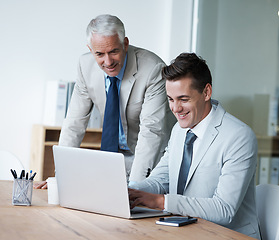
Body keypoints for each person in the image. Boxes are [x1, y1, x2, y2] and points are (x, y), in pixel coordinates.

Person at [129, 53, 261, 239]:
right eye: (171, 99)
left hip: (227, 235)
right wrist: (130, 190)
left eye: (183, 99)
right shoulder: (179, 130)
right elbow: (160, 180)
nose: (175, 108)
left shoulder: (239, 137)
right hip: (186, 230)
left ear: (206, 92)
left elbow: (224, 210)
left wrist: (160, 201)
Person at [34, 14, 174, 189]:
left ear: (125, 43)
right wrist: (61, 176)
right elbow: (74, 124)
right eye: (99, 54)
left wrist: (135, 189)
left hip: (151, 162)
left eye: (114, 51)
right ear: (90, 49)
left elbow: (152, 132)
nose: (108, 62)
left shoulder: (153, 69)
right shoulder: (85, 66)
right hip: (113, 159)